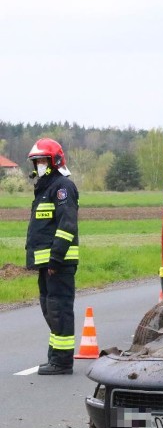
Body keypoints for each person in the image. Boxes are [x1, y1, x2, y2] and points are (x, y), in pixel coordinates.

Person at [25, 138, 79, 375]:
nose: (39, 165)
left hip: (59, 263)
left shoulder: (62, 188)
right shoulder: (45, 188)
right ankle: (55, 358)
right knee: (50, 309)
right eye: (36, 161)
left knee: (60, 310)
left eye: (43, 160)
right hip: (47, 264)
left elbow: (67, 225)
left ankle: (63, 362)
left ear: (55, 161)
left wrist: (56, 259)